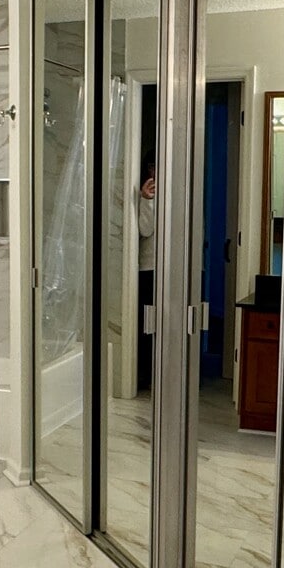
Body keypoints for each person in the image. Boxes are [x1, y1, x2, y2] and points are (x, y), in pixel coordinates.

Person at [136, 153, 157, 391]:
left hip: (171, 270)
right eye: (152, 166)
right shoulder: (147, 195)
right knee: (146, 325)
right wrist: (147, 199)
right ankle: (145, 374)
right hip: (148, 268)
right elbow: (145, 230)